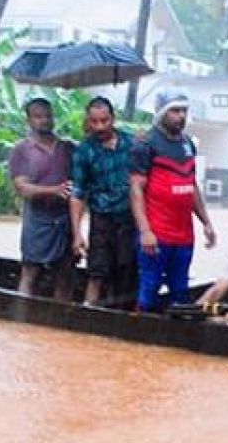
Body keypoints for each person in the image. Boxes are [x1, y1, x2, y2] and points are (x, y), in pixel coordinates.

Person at [130, 88, 217, 312]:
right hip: (157, 233)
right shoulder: (146, 144)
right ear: (161, 113)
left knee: (180, 290)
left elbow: (192, 185)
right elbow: (136, 190)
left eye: (184, 111)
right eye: (175, 111)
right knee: (149, 288)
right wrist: (145, 231)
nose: (181, 116)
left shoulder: (188, 144)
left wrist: (206, 222)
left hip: (184, 234)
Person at [70, 96, 138, 306]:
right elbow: (78, 193)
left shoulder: (132, 144)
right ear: (88, 122)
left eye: (104, 121)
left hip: (129, 218)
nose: (100, 126)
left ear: (113, 119)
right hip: (101, 219)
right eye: (94, 122)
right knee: (96, 272)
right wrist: (77, 233)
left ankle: (127, 322)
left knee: (128, 271)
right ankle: (87, 315)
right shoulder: (84, 150)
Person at [9, 97, 76, 299]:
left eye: (47, 116)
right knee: (30, 270)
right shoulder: (22, 149)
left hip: (64, 217)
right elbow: (22, 188)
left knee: (65, 272)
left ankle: (61, 320)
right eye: (38, 117)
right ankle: (20, 320)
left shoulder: (68, 148)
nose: (44, 121)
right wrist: (53, 190)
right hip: (37, 217)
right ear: (28, 120)